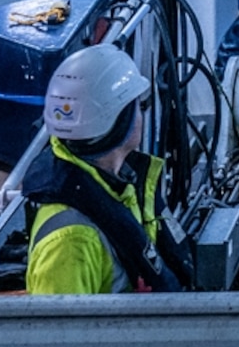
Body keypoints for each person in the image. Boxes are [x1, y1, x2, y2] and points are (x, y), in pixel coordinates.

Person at [25, 44, 192, 294]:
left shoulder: (118, 183)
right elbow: (57, 320)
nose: (141, 114)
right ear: (120, 122)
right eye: (138, 106)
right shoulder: (70, 242)